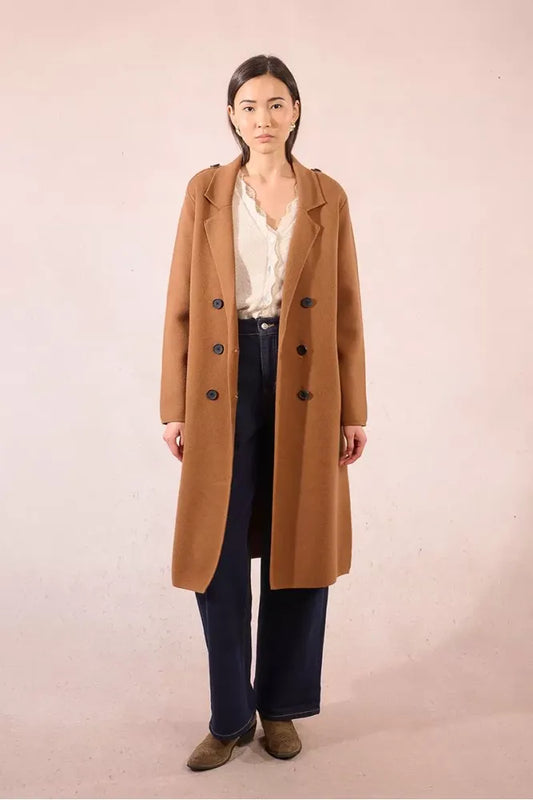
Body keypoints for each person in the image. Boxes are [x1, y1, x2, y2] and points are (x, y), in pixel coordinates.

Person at [160, 54, 368, 771]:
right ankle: (229, 717)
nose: (263, 119)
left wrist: (353, 409)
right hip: (222, 376)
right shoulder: (206, 192)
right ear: (231, 115)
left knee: (299, 542)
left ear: (297, 111)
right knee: (216, 548)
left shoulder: (326, 195)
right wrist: (173, 404)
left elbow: (346, 309)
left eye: (276, 104)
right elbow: (180, 303)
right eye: (249, 106)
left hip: (308, 377)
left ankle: (280, 708)